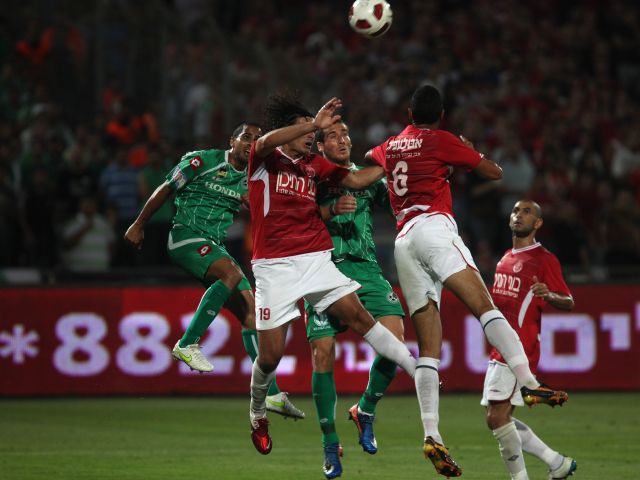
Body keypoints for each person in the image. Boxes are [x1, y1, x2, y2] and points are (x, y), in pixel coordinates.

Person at [368, 85, 569, 477]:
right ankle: (528, 382)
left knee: (428, 348)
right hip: (434, 229)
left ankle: (432, 434)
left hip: (403, 241)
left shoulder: (390, 145)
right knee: (484, 307)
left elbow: (368, 164)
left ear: (409, 113)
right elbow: (495, 172)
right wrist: (464, 152)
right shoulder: (441, 140)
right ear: (441, 115)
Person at [247, 94, 417, 462]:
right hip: (274, 268)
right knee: (270, 357)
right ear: (289, 130)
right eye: (306, 129)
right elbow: (264, 141)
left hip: (316, 260)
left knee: (360, 318)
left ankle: (417, 372)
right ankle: (258, 411)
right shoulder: (265, 160)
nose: (313, 136)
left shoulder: (314, 166)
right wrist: (315, 124)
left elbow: (355, 178)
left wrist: (397, 156)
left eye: (315, 131)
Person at [124, 122, 304, 419]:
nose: (251, 143)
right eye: (246, 137)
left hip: (214, 245)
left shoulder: (250, 179)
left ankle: (271, 395)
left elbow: (264, 210)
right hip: (185, 236)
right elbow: (166, 188)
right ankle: (187, 343)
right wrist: (139, 223)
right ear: (232, 140)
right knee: (230, 274)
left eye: (257, 139)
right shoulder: (202, 160)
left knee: (251, 313)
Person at [304, 121, 405, 478]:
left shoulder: (366, 178)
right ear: (319, 146)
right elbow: (292, 219)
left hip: (366, 271)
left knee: (395, 344)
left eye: (345, 134)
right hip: (322, 269)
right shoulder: (310, 179)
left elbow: (401, 199)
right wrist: (330, 210)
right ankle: (330, 443)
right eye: (333, 135)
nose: (343, 139)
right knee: (322, 352)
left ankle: (365, 409)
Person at [482, 199, 577, 480]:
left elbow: (568, 301)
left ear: (537, 223)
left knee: (497, 418)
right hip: (500, 348)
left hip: (519, 347)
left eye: (527, 212)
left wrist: (549, 294)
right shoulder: (504, 258)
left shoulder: (544, 259)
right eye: (515, 211)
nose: (519, 215)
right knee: (498, 418)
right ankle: (557, 463)